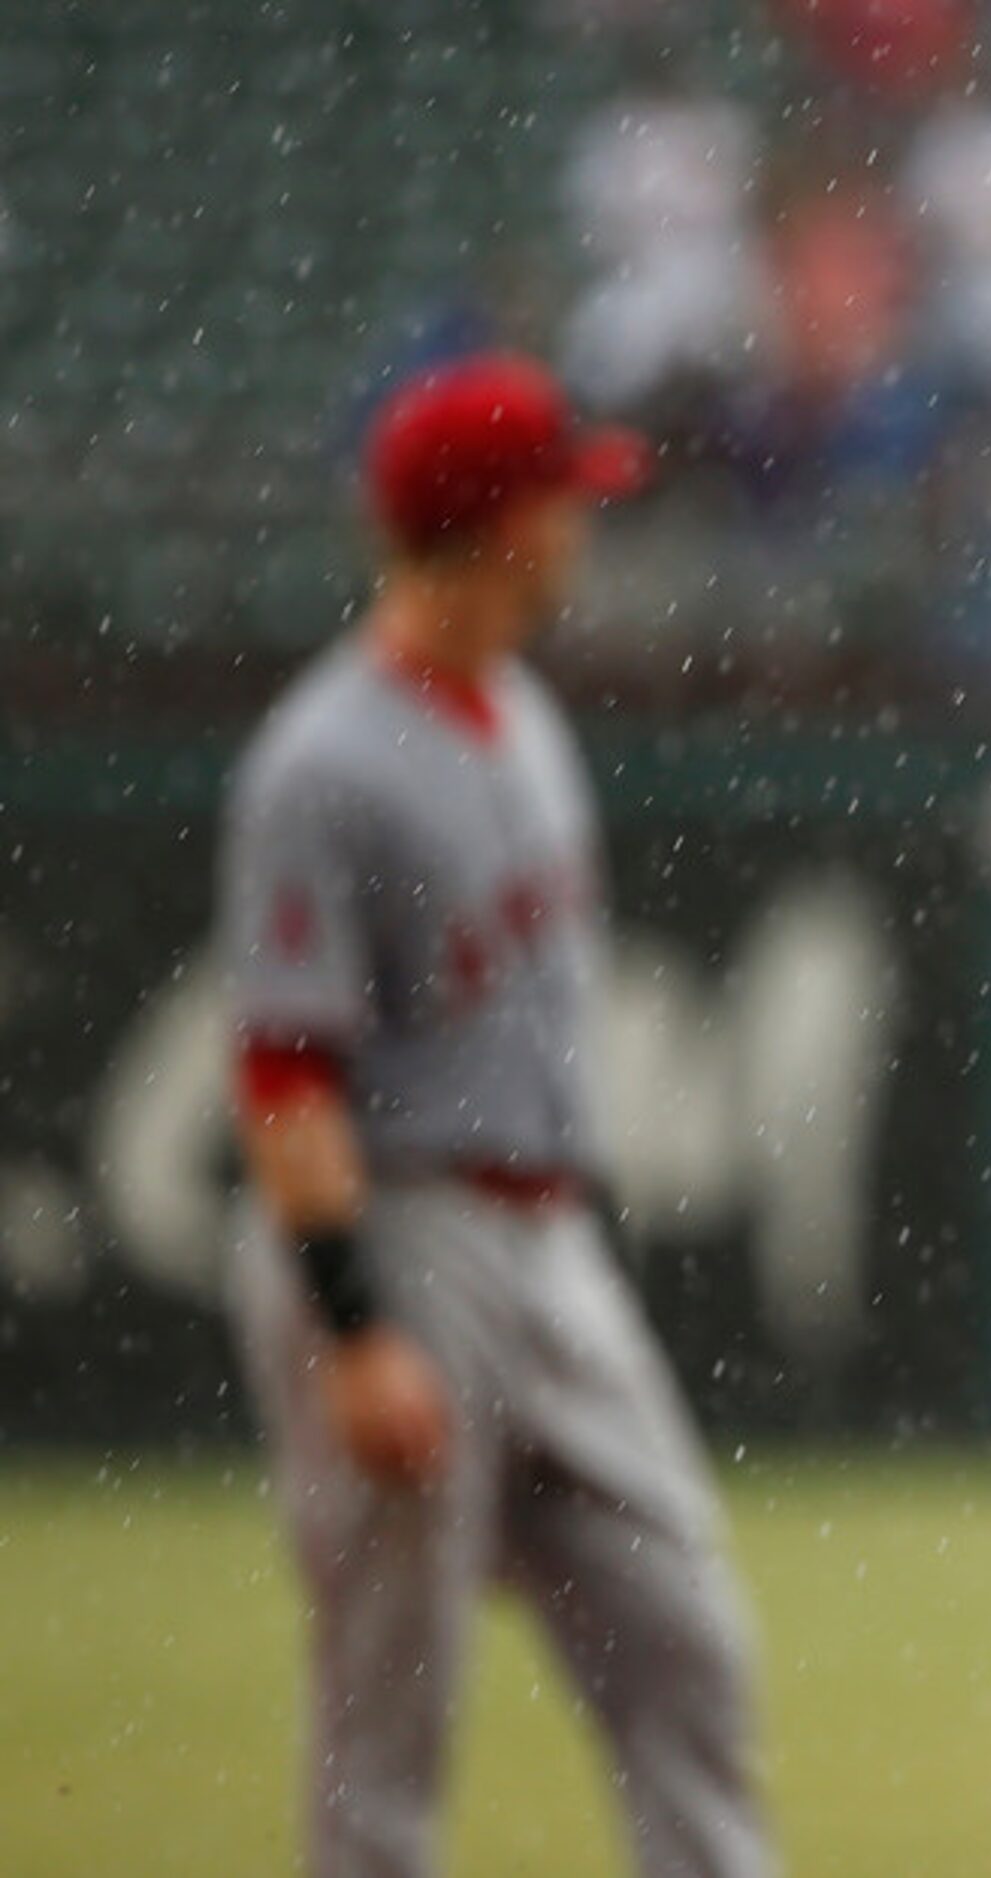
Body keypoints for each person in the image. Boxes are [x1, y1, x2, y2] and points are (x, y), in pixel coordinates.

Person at [217, 353, 776, 1878]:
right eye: (559, 496)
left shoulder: (519, 710)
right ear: (499, 525)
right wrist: (355, 1321)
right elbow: (281, 1072)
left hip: (545, 1243)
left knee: (687, 1645)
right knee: (388, 1723)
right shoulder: (320, 763)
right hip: (396, 1228)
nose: (584, 522)